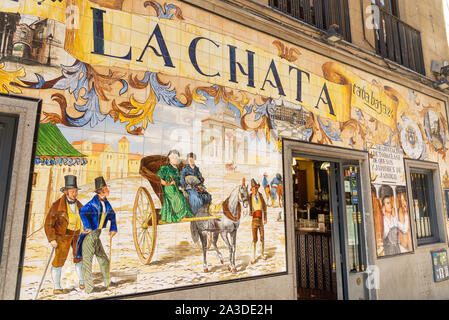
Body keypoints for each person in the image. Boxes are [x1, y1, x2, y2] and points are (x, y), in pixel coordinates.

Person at [44, 175, 85, 294]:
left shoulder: (78, 204)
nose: (75, 194)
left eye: (76, 191)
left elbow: (84, 216)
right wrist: (52, 239)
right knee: (59, 260)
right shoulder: (57, 205)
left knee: (79, 258)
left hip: (77, 234)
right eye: (72, 191)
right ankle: (57, 287)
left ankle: (82, 282)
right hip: (63, 235)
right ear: (66, 192)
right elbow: (48, 224)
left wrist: (85, 227)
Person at [78, 176, 117, 294]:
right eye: (106, 188)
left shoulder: (106, 202)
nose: (108, 190)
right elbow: (82, 212)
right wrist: (87, 226)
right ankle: (89, 289)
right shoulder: (92, 203)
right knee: (87, 262)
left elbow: (112, 214)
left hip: (97, 236)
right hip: (89, 237)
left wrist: (113, 228)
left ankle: (107, 283)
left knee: (103, 259)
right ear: (101, 190)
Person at [157, 150, 193, 223]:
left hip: (176, 188)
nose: (175, 159)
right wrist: (168, 183)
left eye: (176, 158)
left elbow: (179, 181)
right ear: (169, 159)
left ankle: (184, 214)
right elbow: (159, 179)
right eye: (173, 158)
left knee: (183, 197)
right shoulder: (165, 168)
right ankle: (178, 215)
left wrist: (181, 187)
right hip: (168, 188)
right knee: (177, 198)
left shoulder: (177, 169)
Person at [379, 185, 407, 256]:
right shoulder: (382, 220)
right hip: (388, 251)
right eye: (388, 203)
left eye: (390, 203)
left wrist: (406, 214)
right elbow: (384, 235)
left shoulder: (394, 219)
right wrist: (383, 215)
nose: (390, 205)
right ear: (383, 207)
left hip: (397, 249)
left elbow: (404, 229)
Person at [249, 179, 268, 264]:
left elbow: (265, 207)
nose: (254, 190)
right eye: (253, 189)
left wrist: (265, 218)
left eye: (256, 188)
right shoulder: (249, 197)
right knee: (254, 238)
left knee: (262, 237)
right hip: (254, 220)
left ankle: (262, 254)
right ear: (251, 189)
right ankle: (253, 257)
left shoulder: (260, 196)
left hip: (260, 220)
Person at [396, 186, 412, 253]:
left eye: (405, 203)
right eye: (402, 203)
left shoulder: (408, 210)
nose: (404, 205)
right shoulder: (401, 211)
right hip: (405, 241)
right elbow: (404, 229)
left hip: (408, 240)